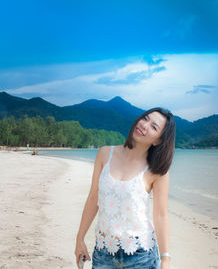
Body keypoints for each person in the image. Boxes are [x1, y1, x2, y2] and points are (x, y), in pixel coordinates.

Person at [75, 107, 176, 269]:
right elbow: (94, 198)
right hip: (103, 252)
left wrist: (165, 259)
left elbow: (161, 215)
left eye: (153, 127)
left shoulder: (157, 171)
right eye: (145, 118)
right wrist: (80, 239)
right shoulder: (104, 154)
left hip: (140, 255)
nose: (144, 125)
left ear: (158, 140)